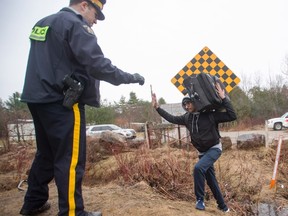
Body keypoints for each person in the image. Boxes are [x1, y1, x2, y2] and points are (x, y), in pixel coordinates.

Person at [20, 0, 145, 216]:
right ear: (85, 5)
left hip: (36, 98)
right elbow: (97, 64)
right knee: (70, 159)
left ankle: (34, 202)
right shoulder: (74, 24)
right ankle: (72, 212)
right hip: (63, 101)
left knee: (46, 154)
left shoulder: (43, 23)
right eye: (96, 14)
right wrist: (131, 77)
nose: (96, 21)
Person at [151, 83, 236, 213]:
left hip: (214, 148)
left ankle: (199, 200)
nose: (187, 106)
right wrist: (158, 108)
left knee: (198, 168)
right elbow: (172, 118)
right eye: (185, 104)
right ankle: (223, 207)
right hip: (202, 152)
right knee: (211, 180)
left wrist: (224, 98)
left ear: (196, 102)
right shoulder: (187, 118)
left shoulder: (210, 115)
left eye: (189, 103)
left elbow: (232, 115)